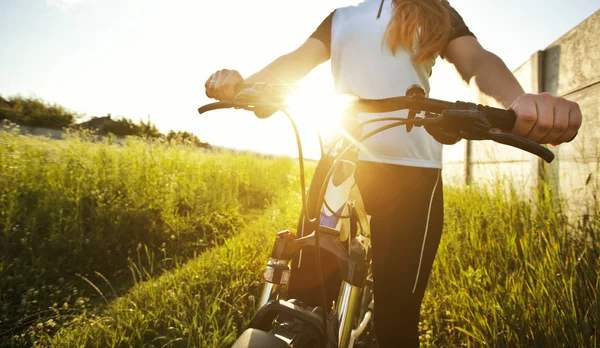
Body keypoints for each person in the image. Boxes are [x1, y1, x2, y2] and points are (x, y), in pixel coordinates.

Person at [204, 0, 583, 346]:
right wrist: (245, 84)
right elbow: (292, 63)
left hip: (411, 170)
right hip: (339, 159)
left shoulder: (436, 10)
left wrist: (516, 101)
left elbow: (477, 63)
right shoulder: (341, 18)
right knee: (306, 296)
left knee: (397, 316)